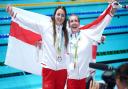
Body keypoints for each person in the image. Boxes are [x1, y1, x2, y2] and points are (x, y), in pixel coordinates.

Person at [6, 5, 69, 89]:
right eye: (58, 14)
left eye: (62, 15)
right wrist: (14, 15)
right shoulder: (46, 27)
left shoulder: (67, 31)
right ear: (54, 15)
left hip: (62, 71)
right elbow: (30, 23)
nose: (60, 17)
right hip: (48, 69)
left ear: (65, 18)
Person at [66, 0, 118, 89]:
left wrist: (113, 8)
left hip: (86, 78)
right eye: (71, 21)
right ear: (68, 24)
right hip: (71, 78)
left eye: (76, 21)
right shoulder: (64, 36)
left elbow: (102, 22)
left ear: (79, 23)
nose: (74, 23)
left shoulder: (87, 33)